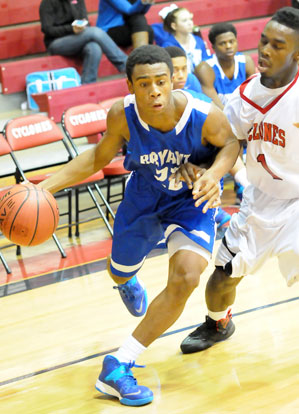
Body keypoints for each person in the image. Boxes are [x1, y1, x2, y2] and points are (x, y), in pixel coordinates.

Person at [39, 44, 240, 406]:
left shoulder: (202, 114)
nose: (154, 91)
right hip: (143, 201)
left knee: (187, 277)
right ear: (130, 85)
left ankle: (119, 364)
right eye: (144, 83)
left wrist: (214, 173)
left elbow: (230, 144)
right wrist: (41, 189)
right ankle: (125, 279)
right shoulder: (122, 115)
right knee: (118, 272)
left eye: (161, 81)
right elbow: (97, 159)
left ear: (173, 81)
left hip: (188, 203)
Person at [176, 6, 299, 354]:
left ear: (297, 54)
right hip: (259, 200)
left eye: (277, 45)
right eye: (263, 41)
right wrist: (202, 168)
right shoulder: (243, 98)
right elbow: (228, 143)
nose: (264, 51)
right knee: (223, 275)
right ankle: (218, 323)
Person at [165, 45, 231, 229]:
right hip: (168, 150)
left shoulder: (192, 81)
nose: (181, 75)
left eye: (184, 69)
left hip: (192, 145)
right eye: (175, 70)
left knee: (222, 144)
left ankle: (239, 187)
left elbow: (201, 116)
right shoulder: (159, 93)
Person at [195, 22, 255, 202]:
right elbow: (216, 107)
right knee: (232, 136)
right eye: (223, 43)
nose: (229, 46)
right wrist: (240, 123)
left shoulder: (246, 62)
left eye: (232, 41)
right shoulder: (205, 68)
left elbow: (256, 95)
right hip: (221, 122)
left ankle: (257, 184)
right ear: (213, 47)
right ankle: (243, 187)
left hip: (245, 118)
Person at [39, 0, 127, 84]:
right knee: (94, 31)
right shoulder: (48, 2)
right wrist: (71, 29)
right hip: (56, 42)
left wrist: (81, 27)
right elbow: (47, 29)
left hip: (78, 38)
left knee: (94, 48)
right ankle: (125, 65)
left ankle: (87, 84)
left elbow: (84, 21)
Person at [161, 7, 211, 73]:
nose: (190, 23)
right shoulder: (168, 46)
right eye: (184, 20)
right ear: (174, 26)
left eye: (190, 19)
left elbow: (206, 62)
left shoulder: (198, 40)